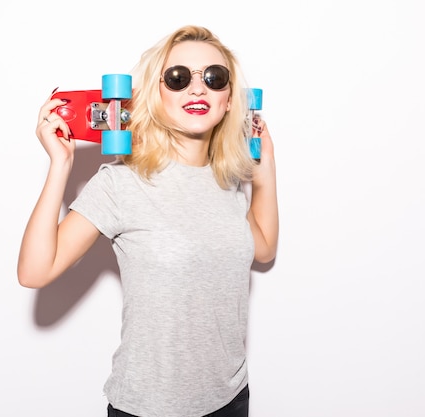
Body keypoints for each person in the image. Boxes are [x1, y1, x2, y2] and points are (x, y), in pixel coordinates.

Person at [17, 25, 278, 417]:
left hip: (231, 398)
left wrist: (266, 169)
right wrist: (61, 166)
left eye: (213, 77)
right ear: (155, 95)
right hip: (150, 408)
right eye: (177, 78)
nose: (197, 89)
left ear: (228, 100)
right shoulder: (122, 182)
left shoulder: (226, 179)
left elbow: (263, 247)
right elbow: (35, 272)